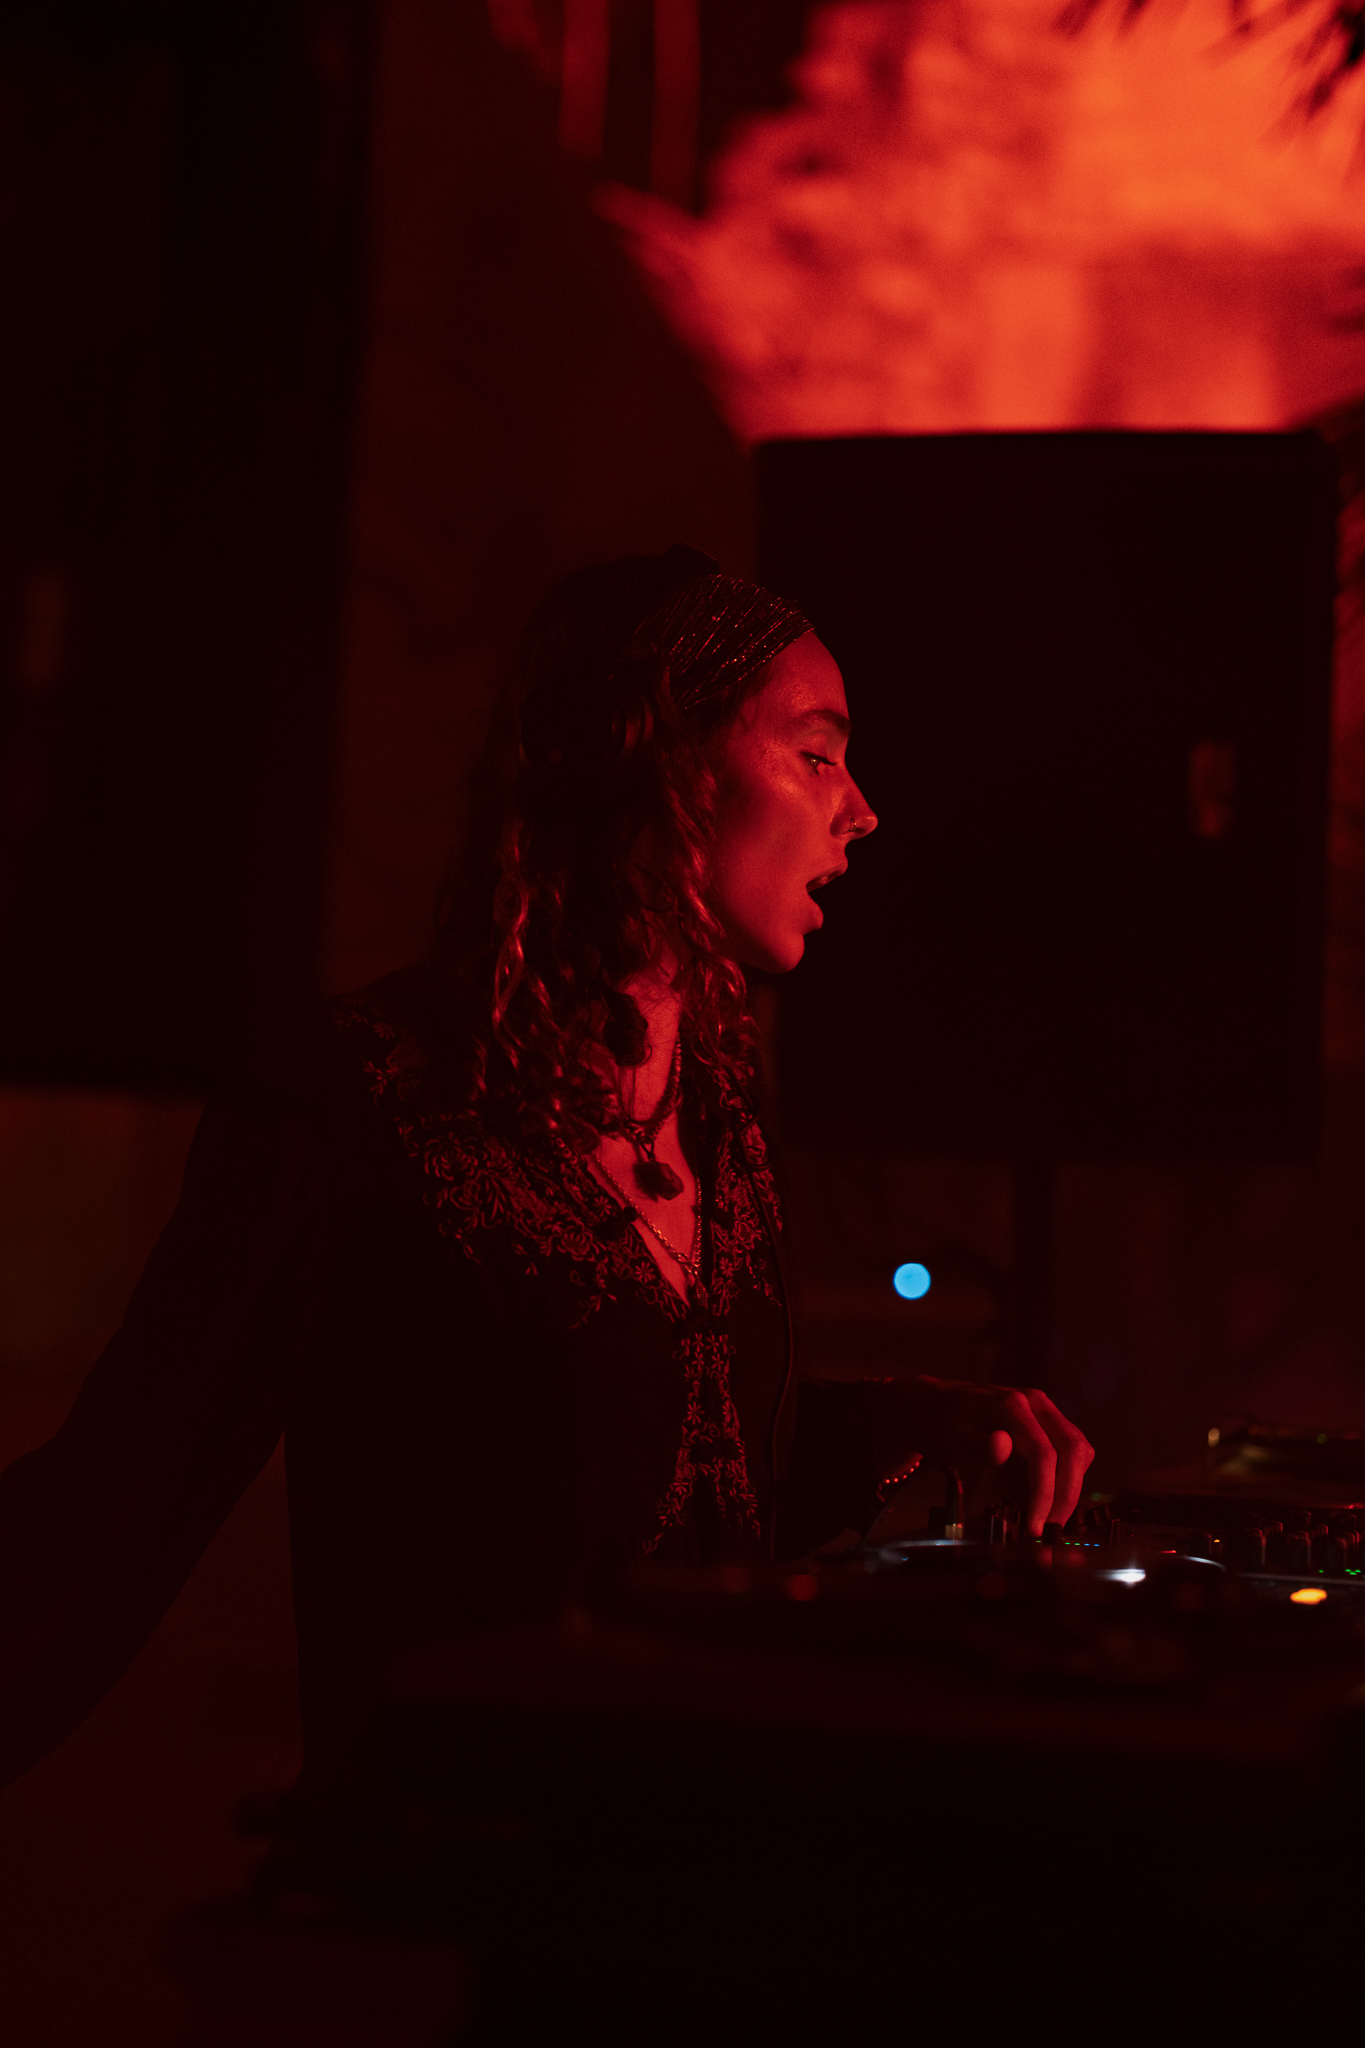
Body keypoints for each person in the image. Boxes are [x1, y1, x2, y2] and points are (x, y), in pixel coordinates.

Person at [0, 544, 1092, 1794]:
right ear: (658, 758)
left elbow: (661, 1461)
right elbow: (123, 1494)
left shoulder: (720, 1117)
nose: (862, 810)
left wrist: (917, 1417)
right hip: (458, 1871)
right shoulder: (369, 1099)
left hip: (687, 1863)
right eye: (816, 754)